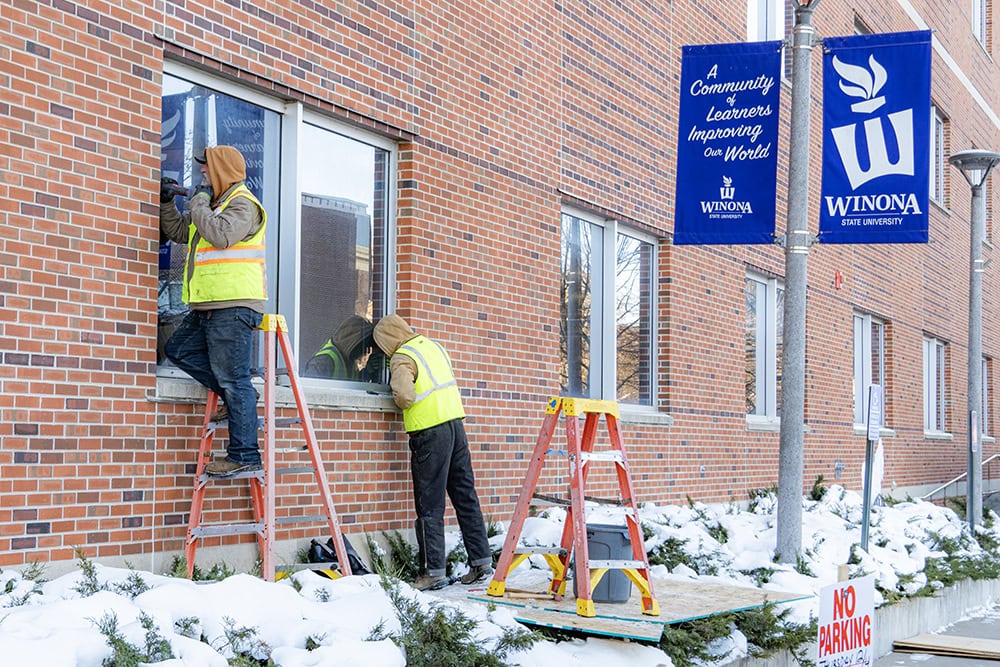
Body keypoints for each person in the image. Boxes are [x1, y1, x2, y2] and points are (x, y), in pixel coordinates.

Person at [159, 146, 267, 477]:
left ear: (221, 171)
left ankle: (245, 454)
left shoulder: (243, 205)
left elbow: (219, 235)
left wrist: (199, 201)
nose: (202, 173)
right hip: (209, 306)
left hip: (234, 307)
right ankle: (235, 399)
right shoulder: (214, 206)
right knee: (178, 349)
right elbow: (180, 232)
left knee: (235, 380)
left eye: (207, 169)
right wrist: (166, 202)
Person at [372, 314, 494, 591]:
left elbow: (404, 396)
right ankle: (482, 561)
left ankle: (433, 571)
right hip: (455, 428)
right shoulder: (433, 346)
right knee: (465, 496)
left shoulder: (402, 357)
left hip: (430, 433)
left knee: (430, 504)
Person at [304, 315, 375, 380]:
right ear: (353, 341)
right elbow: (309, 390)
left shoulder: (349, 361)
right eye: (363, 345)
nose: (366, 352)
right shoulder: (324, 361)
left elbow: (353, 385)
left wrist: (369, 371)